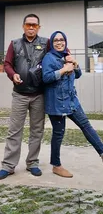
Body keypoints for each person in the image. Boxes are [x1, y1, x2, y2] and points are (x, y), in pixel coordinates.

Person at [42, 30, 103, 178]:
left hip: (71, 101)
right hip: (56, 103)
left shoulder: (67, 56)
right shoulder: (48, 58)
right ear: (52, 42)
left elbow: (78, 75)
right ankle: (56, 165)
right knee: (59, 133)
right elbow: (46, 78)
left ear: (65, 41)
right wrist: (63, 70)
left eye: (61, 39)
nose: (59, 42)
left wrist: (75, 64)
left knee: (86, 125)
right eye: (56, 40)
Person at [0, 14, 49, 180]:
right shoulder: (14, 44)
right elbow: (7, 64)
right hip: (19, 94)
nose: (31, 28)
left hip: (39, 95)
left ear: (38, 27)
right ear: (23, 26)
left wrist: (69, 58)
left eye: (34, 25)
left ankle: (32, 162)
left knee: (37, 131)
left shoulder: (46, 43)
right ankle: (8, 166)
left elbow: (60, 51)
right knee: (14, 131)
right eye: (28, 25)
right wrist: (13, 75)